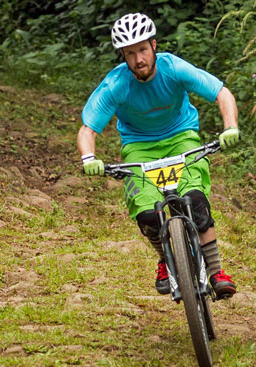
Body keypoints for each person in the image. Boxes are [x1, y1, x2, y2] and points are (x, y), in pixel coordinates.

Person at [77, 13, 239, 299]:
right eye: (130, 53)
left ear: (154, 45)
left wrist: (230, 128)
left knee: (196, 201)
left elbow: (221, 93)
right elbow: (88, 129)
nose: (138, 59)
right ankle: (166, 258)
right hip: (139, 147)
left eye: (142, 49)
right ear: (123, 57)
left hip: (182, 138)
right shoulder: (116, 84)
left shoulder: (173, 68)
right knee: (147, 214)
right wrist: (89, 158)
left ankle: (215, 271)